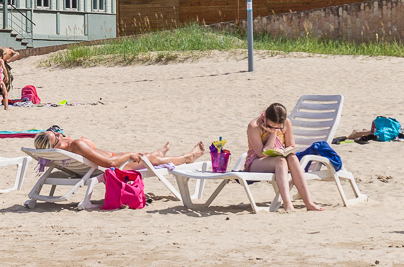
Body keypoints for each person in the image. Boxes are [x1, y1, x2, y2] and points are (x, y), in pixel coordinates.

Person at [244, 102, 324, 212]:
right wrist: (273, 133)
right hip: (256, 162)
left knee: (292, 158)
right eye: (271, 126)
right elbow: (260, 153)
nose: (276, 128)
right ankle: (287, 203)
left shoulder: (286, 123)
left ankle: (309, 203)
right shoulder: (254, 126)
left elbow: (291, 145)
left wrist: (284, 150)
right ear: (266, 118)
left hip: (278, 157)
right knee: (280, 161)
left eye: (279, 127)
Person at [33, 127, 205, 172]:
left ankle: (156, 153)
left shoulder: (63, 152)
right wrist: (130, 155)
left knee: (147, 156)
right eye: (55, 135)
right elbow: (109, 163)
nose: (58, 133)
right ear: (56, 143)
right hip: (116, 166)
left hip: (113, 158)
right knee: (153, 161)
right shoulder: (75, 145)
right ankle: (187, 157)